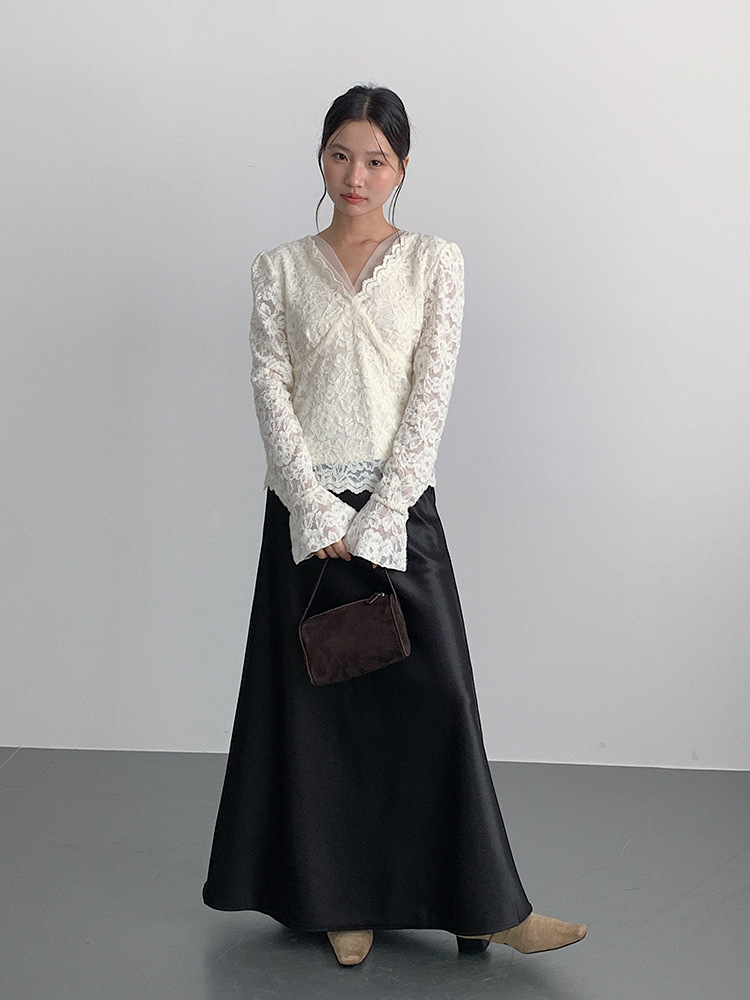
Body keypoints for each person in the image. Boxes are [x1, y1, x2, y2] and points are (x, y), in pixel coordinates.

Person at [202, 84, 586, 967]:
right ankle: (341, 901)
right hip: (305, 522)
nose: (356, 175)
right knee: (324, 715)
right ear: (321, 157)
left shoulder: (433, 263)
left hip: (400, 512)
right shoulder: (277, 269)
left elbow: (430, 394)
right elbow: (270, 387)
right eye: (341, 154)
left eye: (376, 159)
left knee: (438, 699)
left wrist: (384, 514)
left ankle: (489, 907)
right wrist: (313, 506)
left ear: (402, 167)